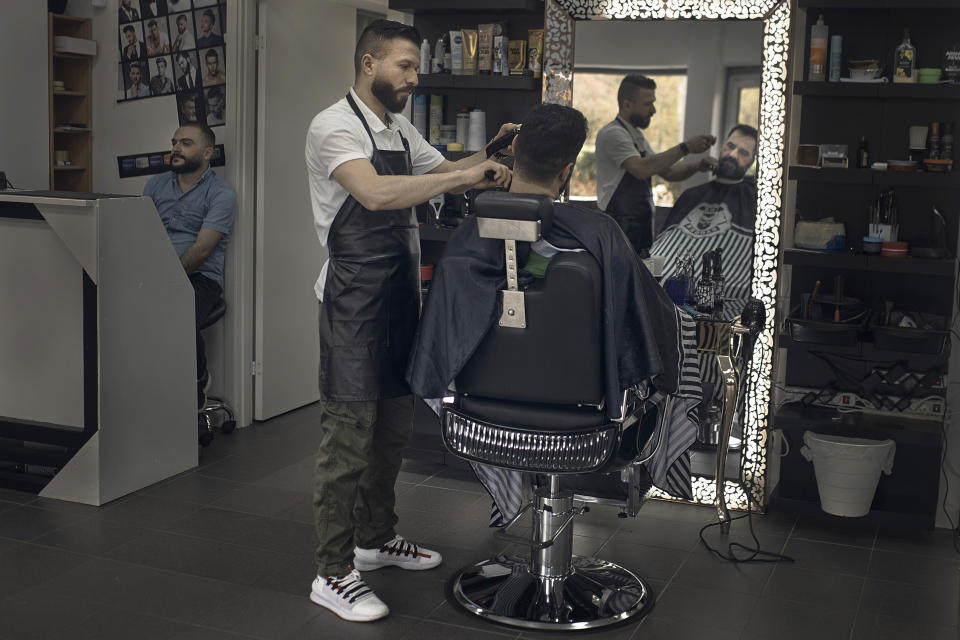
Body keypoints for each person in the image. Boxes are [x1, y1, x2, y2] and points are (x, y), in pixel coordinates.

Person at [304, 18, 513, 623]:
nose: (414, 79)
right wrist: (463, 176)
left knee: (392, 431)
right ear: (369, 63)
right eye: (404, 67)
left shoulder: (397, 126)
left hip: (399, 297)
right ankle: (332, 570)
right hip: (352, 302)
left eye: (416, 69)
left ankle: (374, 539)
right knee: (348, 439)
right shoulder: (333, 126)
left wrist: (491, 155)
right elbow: (375, 194)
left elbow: (443, 168)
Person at [406, 103, 702, 523]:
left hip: (478, 416)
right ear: (566, 172)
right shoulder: (601, 235)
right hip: (583, 424)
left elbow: (442, 335)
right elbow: (652, 323)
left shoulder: (470, 237)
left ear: (513, 155)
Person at [143, 122, 235, 442]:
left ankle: (195, 387)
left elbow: (203, 248)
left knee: (179, 319)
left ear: (207, 153)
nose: (176, 149)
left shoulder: (221, 194)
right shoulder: (155, 186)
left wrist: (168, 277)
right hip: (152, 274)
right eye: (174, 143)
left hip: (200, 279)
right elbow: (139, 233)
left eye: (186, 143)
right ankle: (145, 401)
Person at [595, 74, 716, 257]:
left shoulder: (636, 135)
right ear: (627, 104)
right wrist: (686, 147)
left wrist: (697, 166)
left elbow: (668, 172)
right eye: (647, 104)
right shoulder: (612, 134)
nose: (653, 110)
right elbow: (641, 169)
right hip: (617, 225)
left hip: (639, 226)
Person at [650, 124, 759, 305]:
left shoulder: (753, 199)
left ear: (752, 161)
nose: (733, 155)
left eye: (744, 153)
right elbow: (662, 243)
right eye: (730, 147)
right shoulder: (691, 195)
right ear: (722, 146)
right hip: (662, 291)